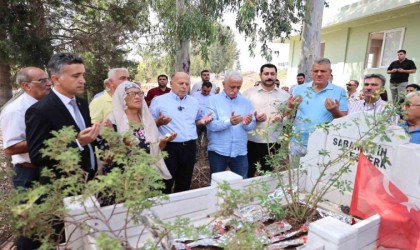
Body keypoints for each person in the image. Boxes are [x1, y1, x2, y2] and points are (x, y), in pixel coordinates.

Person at [26, 53, 100, 184]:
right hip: (62, 187)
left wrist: (99, 133)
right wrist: (77, 144)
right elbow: (38, 156)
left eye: (83, 75)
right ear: (56, 79)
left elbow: (87, 138)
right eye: (76, 76)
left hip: (90, 181)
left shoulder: (82, 104)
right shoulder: (40, 110)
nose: (83, 80)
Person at [0, 67, 51, 250]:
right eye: (42, 81)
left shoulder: (47, 104)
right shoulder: (15, 110)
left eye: (47, 79)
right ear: (26, 86)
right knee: (30, 228)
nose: (48, 83)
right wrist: (46, 139)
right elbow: (11, 147)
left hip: (48, 172)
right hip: (28, 174)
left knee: (49, 224)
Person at [149, 72, 213, 193]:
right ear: (171, 84)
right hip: (169, 147)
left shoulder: (194, 102)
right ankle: (163, 209)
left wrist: (202, 121)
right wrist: (158, 122)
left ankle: (181, 207)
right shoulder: (159, 101)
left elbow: (196, 121)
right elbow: (148, 124)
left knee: (185, 181)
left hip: (189, 147)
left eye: (187, 84)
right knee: (164, 182)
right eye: (181, 83)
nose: (184, 86)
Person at [103, 81, 175, 178]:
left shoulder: (146, 120)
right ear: (122, 97)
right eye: (132, 94)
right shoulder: (112, 122)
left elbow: (153, 152)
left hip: (147, 176)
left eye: (140, 93)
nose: (137, 97)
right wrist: (125, 147)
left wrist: (162, 142)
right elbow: (107, 159)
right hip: (124, 180)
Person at [289, 58, 348, 155]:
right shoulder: (298, 89)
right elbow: (289, 114)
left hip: (323, 143)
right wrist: (290, 107)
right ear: (311, 72)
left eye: (323, 71)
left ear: (330, 72)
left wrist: (334, 111)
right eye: (316, 71)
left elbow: (344, 120)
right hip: (298, 141)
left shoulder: (339, 91)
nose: (319, 74)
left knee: (318, 170)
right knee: (295, 170)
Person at [206, 71, 256, 179]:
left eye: (239, 87)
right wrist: (229, 122)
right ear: (223, 84)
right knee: (216, 184)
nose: (236, 90)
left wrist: (247, 123)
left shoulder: (246, 102)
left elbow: (251, 126)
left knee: (241, 183)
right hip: (218, 151)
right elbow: (211, 125)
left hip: (240, 151)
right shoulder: (212, 101)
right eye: (232, 87)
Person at [243, 64, 290, 177]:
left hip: (273, 141)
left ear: (276, 76)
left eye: (272, 74)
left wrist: (281, 117)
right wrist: (254, 118)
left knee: (268, 173)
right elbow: (243, 116)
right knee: (248, 171)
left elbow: (289, 115)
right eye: (266, 74)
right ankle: (248, 194)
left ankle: (264, 194)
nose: (269, 76)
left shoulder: (285, 96)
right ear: (260, 75)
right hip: (252, 140)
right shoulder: (248, 94)